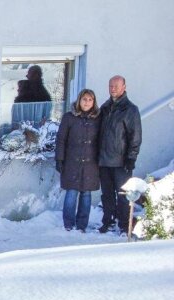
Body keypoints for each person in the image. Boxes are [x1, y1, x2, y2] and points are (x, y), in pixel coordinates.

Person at [97, 75, 142, 234]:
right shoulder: (105, 107)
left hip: (121, 162)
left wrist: (131, 157)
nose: (113, 89)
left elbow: (135, 136)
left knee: (123, 195)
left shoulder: (130, 109)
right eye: (110, 86)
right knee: (107, 195)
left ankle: (123, 225)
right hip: (104, 161)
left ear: (124, 87)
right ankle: (108, 221)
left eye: (116, 85)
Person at [55, 89, 101, 232]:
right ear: (79, 100)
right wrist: (59, 159)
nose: (87, 103)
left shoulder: (98, 119)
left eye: (90, 100)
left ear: (93, 102)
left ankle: (82, 225)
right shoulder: (69, 117)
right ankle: (68, 224)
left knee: (86, 194)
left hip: (91, 163)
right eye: (84, 99)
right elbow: (61, 139)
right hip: (72, 161)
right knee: (72, 192)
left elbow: (101, 140)